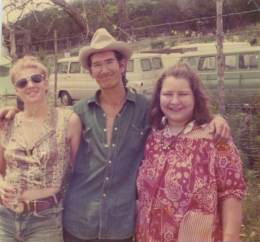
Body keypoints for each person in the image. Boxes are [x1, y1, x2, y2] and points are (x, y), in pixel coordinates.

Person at [0, 29, 230, 242]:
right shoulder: (78, 112)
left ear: (122, 65)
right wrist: (16, 113)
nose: (104, 69)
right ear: (90, 71)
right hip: (79, 220)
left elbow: (180, 116)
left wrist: (213, 120)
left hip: (121, 223)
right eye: (97, 64)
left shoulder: (145, 108)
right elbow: (42, 128)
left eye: (110, 61)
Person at [135, 64, 246, 242]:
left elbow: (231, 194)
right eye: (168, 94)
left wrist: (230, 238)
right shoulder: (153, 138)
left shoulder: (215, 139)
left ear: (196, 97)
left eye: (183, 94)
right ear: (158, 97)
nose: (175, 101)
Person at [0, 56, 82, 242]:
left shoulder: (68, 121)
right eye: (22, 82)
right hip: (5, 217)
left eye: (36, 79)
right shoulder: (7, 122)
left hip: (45, 219)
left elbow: (76, 169)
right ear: (17, 91)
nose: (30, 85)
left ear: (45, 82)